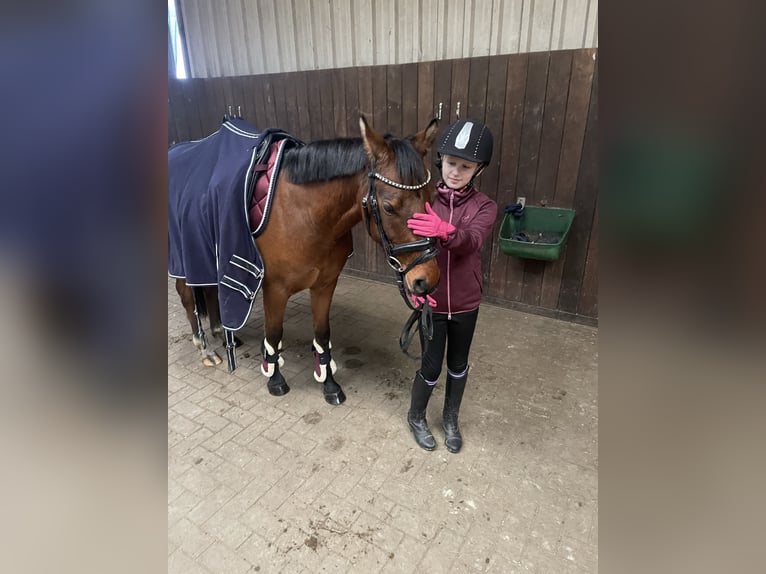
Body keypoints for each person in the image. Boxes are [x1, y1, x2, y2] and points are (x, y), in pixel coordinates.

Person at [405, 118, 498, 453]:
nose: (455, 172)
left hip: (465, 303)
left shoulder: (484, 206)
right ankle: (416, 416)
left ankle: (450, 419)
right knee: (430, 367)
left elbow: (472, 241)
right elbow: (407, 253)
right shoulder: (424, 197)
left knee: (458, 364)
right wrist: (411, 292)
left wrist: (445, 230)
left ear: (478, 169)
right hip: (431, 302)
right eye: (450, 163)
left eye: (465, 166)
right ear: (440, 160)